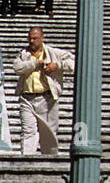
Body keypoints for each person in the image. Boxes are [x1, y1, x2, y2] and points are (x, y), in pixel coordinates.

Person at [13, 26, 75, 156]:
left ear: (42, 38)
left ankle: (49, 160)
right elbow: (17, 67)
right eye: (29, 38)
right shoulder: (24, 54)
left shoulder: (53, 53)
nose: (31, 41)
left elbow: (74, 62)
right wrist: (35, 64)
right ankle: (27, 160)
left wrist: (57, 65)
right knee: (28, 131)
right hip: (27, 98)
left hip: (47, 98)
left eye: (35, 38)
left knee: (49, 133)